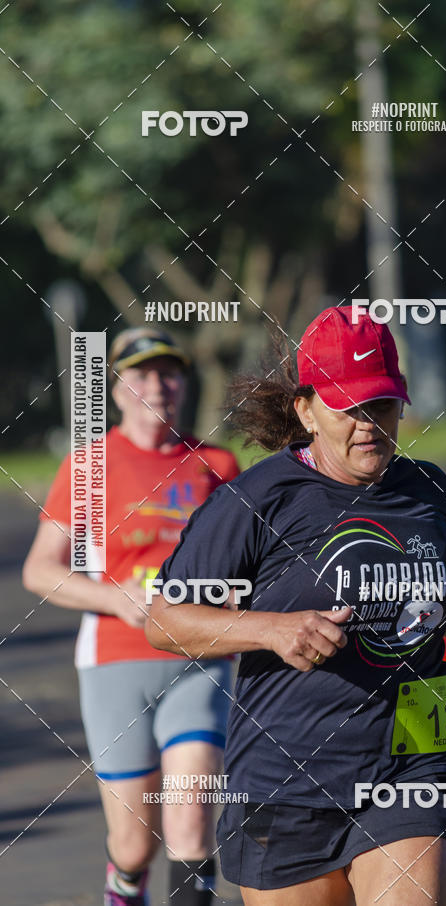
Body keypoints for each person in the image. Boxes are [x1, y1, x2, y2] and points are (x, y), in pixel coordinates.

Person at [145, 307, 446, 906]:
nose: (370, 425)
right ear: (306, 410)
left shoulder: (427, 489)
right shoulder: (257, 499)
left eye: (385, 406)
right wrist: (272, 630)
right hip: (286, 777)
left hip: (413, 764)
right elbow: (164, 621)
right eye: (350, 408)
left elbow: (439, 610)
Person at [23, 327, 240, 906]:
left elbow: (252, 561)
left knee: (191, 825)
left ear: (183, 384)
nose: (157, 386)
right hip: (116, 662)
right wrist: (115, 597)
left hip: (200, 658)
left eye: (169, 373)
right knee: (134, 844)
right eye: (141, 374)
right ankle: (123, 888)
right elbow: (41, 570)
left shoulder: (216, 464)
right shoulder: (89, 467)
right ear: (117, 388)